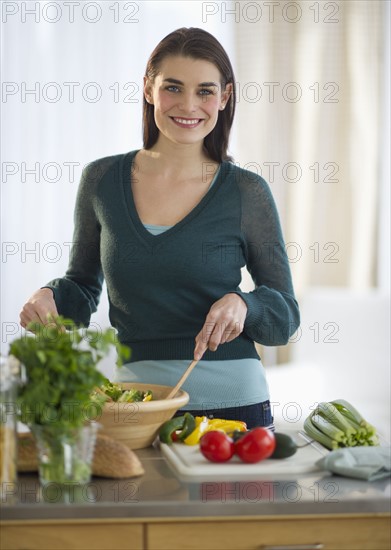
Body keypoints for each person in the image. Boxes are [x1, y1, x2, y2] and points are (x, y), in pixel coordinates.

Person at [19, 27, 300, 429]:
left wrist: (245, 304)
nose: (189, 104)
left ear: (224, 97)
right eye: (173, 87)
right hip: (137, 408)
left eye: (205, 91)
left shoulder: (245, 192)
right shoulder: (102, 180)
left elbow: (284, 318)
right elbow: (81, 289)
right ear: (149, 89)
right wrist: (49, 297)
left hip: (235, 408)